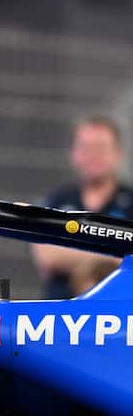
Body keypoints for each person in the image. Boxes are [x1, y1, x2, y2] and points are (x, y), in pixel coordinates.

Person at [32, 115, 133, 299]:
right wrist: (114, 253)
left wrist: (71, 252)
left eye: (100, 148)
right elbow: (47, 256)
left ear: (118, 153)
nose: (93, 155)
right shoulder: (57, 200)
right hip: (60, 312)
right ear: (73, 153)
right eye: (86, 148)